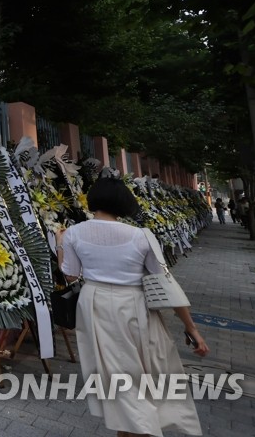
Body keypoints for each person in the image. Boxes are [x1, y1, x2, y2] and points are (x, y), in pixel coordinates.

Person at [57, 178, 209, 437]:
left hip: (95, 305)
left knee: (116, 380)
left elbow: (70, 275)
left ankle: (131, 429)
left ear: (92, 200)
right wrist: (190, 327)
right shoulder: (140, 236)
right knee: (143, 376)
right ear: (124, 202)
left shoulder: (74, 233)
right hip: (134, 306)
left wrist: (59, 243)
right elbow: (165, 283)